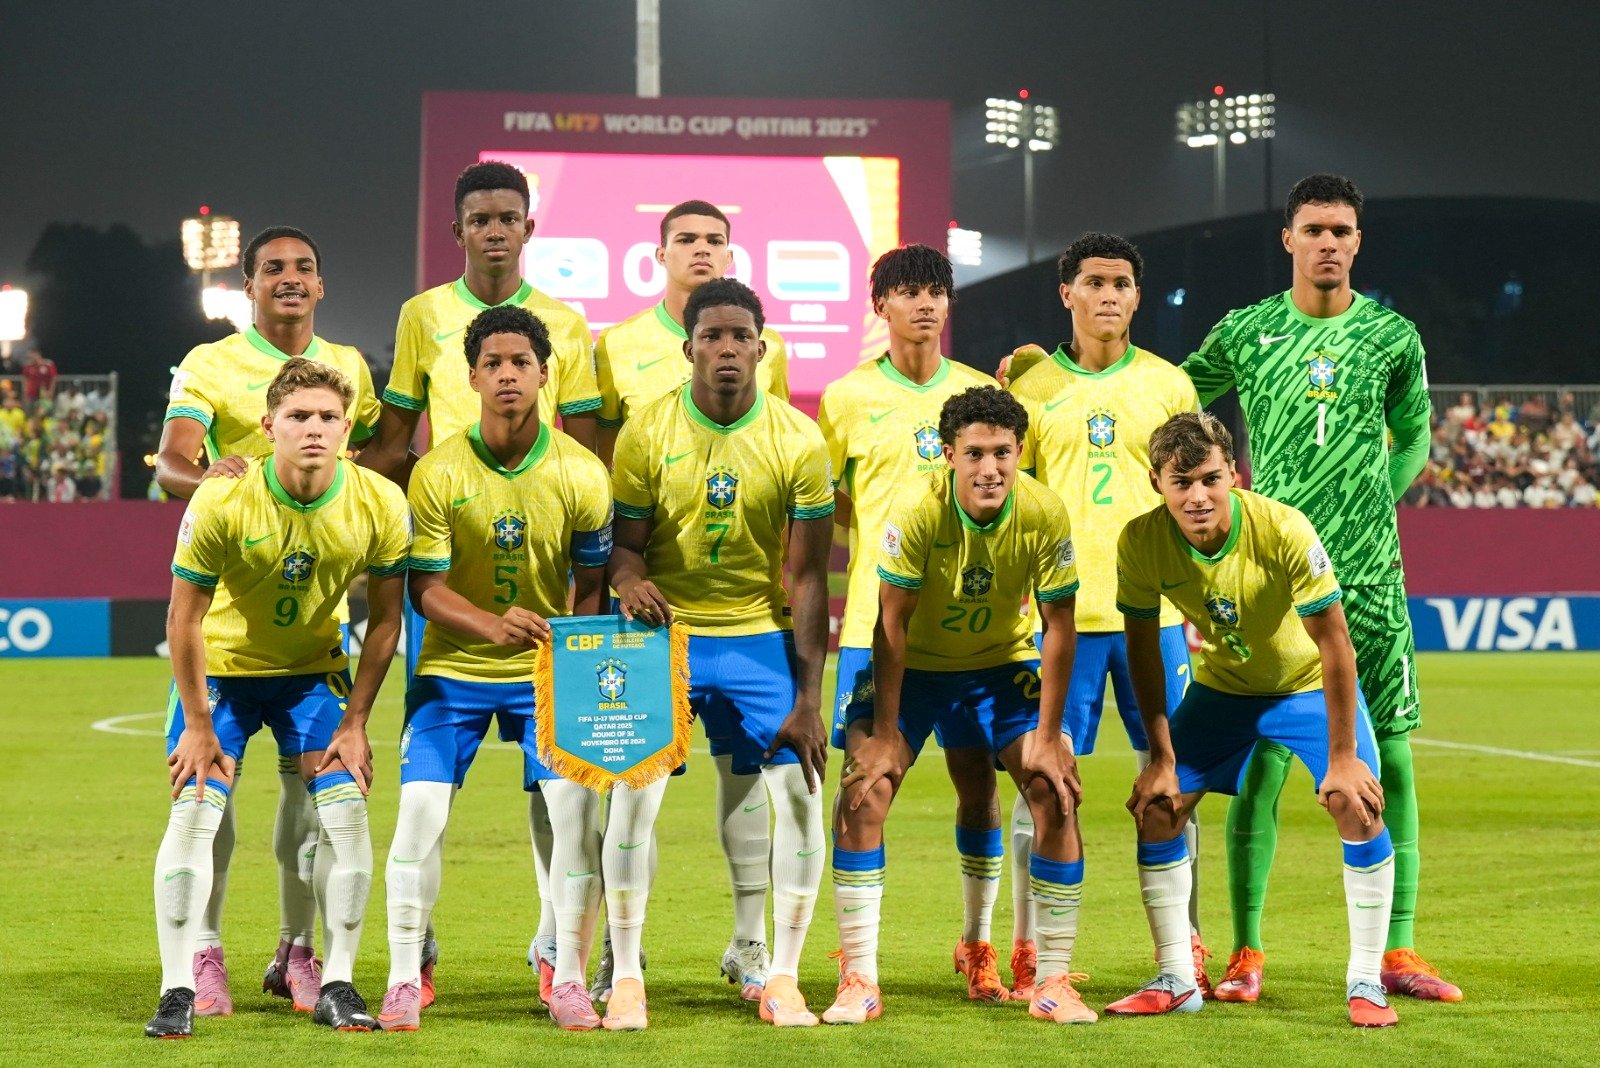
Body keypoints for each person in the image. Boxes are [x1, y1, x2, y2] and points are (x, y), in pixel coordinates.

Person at [1180, 173, 1457, 1003]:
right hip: (1267, 583)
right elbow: (1168, 398)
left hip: (1369, 578)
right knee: (1260, 765)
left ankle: (1398, 950)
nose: (1328, 242)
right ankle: (1246, 951)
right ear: (1289, 240)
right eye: (1314, 229)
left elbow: (1413, 433)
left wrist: (1378, 496)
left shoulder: (1393, 337)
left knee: (1394, 763)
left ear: (1357, 243)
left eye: (1342, 230)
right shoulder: (1248, 331)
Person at [360, 160, 604, 1001]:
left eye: (509, 217)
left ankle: (556, 952)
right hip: (448, 576)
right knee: (424, 802)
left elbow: (585, 451)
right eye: (480, 218)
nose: (495, 230)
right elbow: (395, 440)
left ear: (529, 229)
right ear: (458, 229)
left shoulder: (567, 326)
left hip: (541, 595)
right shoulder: (422, 315)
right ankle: (411, 955)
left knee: (558, 801)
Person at [157, 225, 384, 1015]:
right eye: (274, 269)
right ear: (247, 285)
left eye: (305, 269)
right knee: (209, 805)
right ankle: (203, 950)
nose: (291, 279)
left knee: (311, 812)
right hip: (225, 625)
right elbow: (169, 463)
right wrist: (212, 480)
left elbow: (372, 463)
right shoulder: (209, 362)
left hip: (313, 638)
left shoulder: (349, 365)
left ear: (321, 285)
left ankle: (297, 951)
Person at [1107, 411, 1397, 1028]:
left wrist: (1342, 756)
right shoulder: (1139, 540)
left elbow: (1335, 644)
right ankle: (1177, 978)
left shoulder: (1283, 528)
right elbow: (1141, 651)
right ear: (1156, 482)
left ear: (1233, 474)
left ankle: (1367, 979)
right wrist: (1160, 757)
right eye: (1180, 482)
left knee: (1355, 800)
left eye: (1210, 478)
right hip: (1223, 690)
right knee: (1157, 807)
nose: (1198, 496)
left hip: (1305, 688)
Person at [605, 278, 833, 1030]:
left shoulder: (799, 440)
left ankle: (782, 974)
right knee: (635, 797)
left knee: (797, 796)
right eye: (712, 337)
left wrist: (809, 699)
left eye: (740, 337)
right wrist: (631, 580)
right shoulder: (647, 430)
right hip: (663, 638)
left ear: (762, 350)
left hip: (754, 638)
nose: (727, 349)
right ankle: (628, 973)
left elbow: (805, 578)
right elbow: (624, 551)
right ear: (689, 348)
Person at [828, 385, 1093, 1027]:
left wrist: (1052, 735)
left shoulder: (1044, 512)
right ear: (948, 455)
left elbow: (1060, 625)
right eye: (974, 453)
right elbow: (892, 623)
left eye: (1003, 452)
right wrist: (887, 733)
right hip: (914, 666)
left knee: (1053, 790)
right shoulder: (915, 510)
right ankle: (858, 977)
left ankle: (1051, 979)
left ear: (1020, 452)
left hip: (999, 666)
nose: (990, 469)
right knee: (865, 788)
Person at [995, 233, 1208, 998]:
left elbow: (1198, 499)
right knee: (1042, 781)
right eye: (1094, 281)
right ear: (1067, 293)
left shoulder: (1169, 386)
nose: (1109, 294)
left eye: (1122, 282)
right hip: (1061, 620)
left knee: (1179, 782)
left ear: (1137, 296)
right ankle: (1027, 947)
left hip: (1151, 618)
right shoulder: (1033, 389)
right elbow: (1012, 500)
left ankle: (1187, 943)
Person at [815, 244, 1001, 1000]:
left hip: (969, 632)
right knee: (865, 790)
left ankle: (979, 945)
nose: (924, 304)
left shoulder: (983, 390)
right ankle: (859, 970)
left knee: (979, 790)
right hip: (872, 630)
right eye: (907, 292)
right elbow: (830, 507)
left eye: (935, 292)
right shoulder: (846, 398)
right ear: (879, 306)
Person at [594, 200, 789, 465]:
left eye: (714, 241)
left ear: (728, 257)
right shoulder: (616, 343)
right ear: (661, 255)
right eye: (686, 240)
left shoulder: (769, 344)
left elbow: (780, 438)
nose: (702, 250)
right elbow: (607, 445)